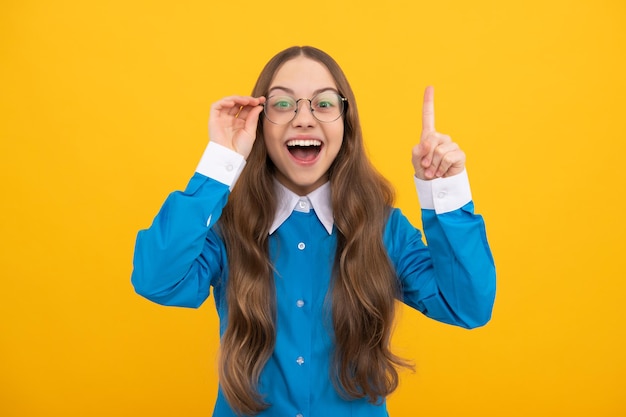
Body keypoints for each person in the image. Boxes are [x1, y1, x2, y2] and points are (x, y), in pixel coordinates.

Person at [131, 45, 496, 417]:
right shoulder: (228, 228)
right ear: (259, 123)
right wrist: (220, 161)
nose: (303, 119)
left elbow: (467, 307)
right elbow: (156, 279)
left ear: (345, 123)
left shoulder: (385, 230)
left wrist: (446, 194)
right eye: (283, 105)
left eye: (323, 104)